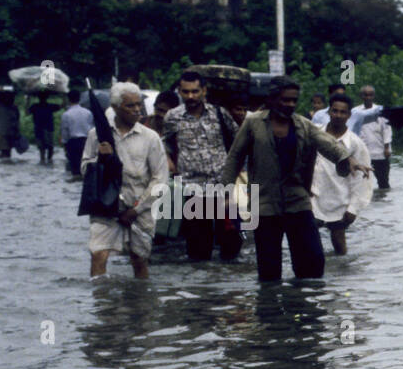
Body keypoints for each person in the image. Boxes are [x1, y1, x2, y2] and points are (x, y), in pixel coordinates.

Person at [220, 76, 370, 282]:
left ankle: (304, 306)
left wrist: (348, 158)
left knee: (313, 264)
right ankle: (271, 310)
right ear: (272, 99)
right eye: (285, 100)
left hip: (297, 201)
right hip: (264, 204)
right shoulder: (253, 123)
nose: (290, 104)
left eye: (294, 100)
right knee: (269, 271)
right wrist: (225, 194)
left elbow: (327, 143)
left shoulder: (302, 125)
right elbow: (235, 158)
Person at [81, 82, 166, 279]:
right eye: (130, 106)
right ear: (116, 108)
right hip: (105, 206)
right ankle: (101, 305)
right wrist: (100, 159)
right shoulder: (97, 135)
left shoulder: (150, 138)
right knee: (99, 255)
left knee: (139, 260)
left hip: (139, 207)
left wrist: (137, 209)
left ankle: (141, 304)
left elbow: (160, 179)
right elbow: (85, 170)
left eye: (139, 104)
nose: (137, 110)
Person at [164, 70, 242, 262]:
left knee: (231, 240)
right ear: (180, 92)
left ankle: (229, 284)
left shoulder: (219, 114)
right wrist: (168, 159)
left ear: (204, 91)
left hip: (223, 185)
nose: (190, 96)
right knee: (199, 246)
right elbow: (164, 144)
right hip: (193, 187)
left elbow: (239, 140)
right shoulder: (172, 117)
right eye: (186, 92)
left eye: (195, 91)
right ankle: (202, 287)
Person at [312, 93, 372, 255]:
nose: (338, 115)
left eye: (342, 112)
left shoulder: (355, 143)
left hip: (338, 198)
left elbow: (363, 180)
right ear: (328, 112)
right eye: (334, 111)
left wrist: (353, 208)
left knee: (339, 243)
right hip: (313, 195)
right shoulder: (314, 134)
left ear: (349, 115)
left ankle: (343, 277)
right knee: (309, 242)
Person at [356, 85, 392, 190]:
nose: (368, 97)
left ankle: (383, 200)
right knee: (362, 182)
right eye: (365, 95)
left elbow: (387, 130)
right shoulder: (356, 112)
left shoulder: (380, 110)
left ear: (374, 96)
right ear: (361, 96)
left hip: (380, 152)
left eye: (370, 95)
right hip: (362, 153)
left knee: (383, 182)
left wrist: (386, 148)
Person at [61, 90, 94, 177]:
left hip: (73, 143)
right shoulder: (88, 112)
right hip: (86, 142)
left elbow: (65, 132)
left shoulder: (66, 114)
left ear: (69, 99)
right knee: (86, 168)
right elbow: (91, 128)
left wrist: (65, 145)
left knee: (75, 171)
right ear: (79, 99)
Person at [29, 92, 57, 163]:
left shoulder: (35, 106)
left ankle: (43, 161)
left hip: (41, 129)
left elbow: (27, 111)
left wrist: (28, 99)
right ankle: (49, 160)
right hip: (46, 129)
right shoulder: (49, 106)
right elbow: (63, 105)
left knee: (43, 148)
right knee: (49, 147)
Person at [0, 90, 18, 159]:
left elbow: (17, 120)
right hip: (2, 132)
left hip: (11, 132)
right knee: (5, 152)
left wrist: (17, 131)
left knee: (7, 152)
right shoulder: (1, 106)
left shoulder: (14, 108)